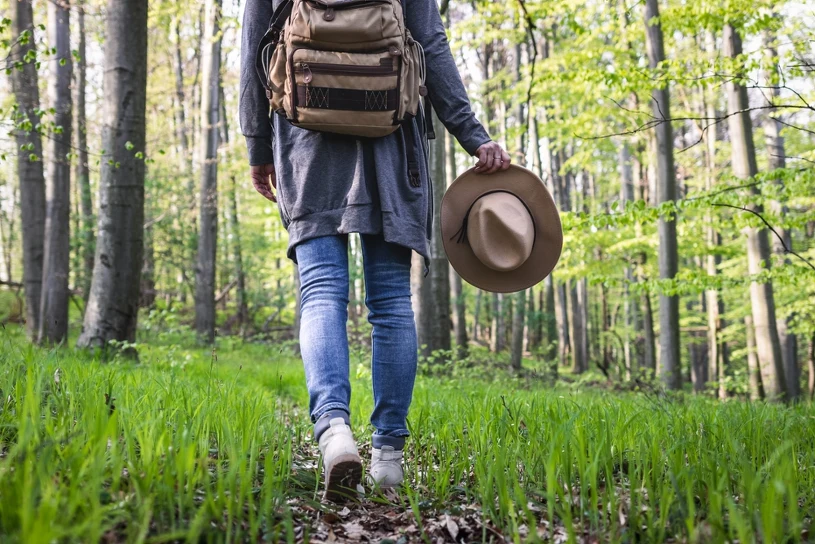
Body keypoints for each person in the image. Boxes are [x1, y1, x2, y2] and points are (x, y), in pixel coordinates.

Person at [240, 0, 511, 500]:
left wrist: (258, 145)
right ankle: (388, 456)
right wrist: (474, 137)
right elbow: (430, 43)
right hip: (392, 136)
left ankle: (335, 433)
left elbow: (255, 43)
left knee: (321, 290)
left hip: (306, 136)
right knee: (389, 300)